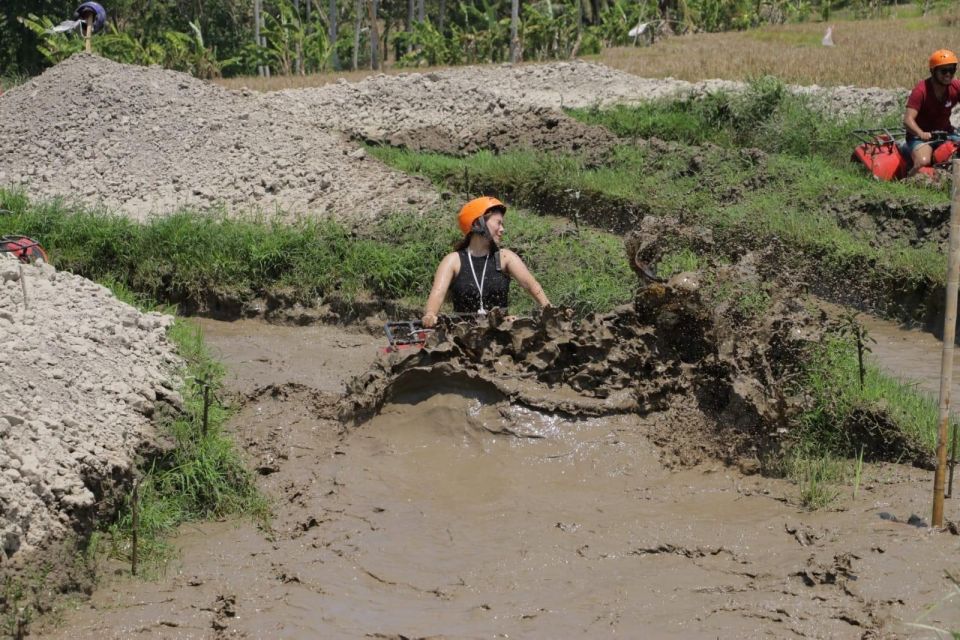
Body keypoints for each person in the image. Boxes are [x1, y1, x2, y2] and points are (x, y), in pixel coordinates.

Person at [421, 196, 550, 328]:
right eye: (498, 223)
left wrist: (549, 309)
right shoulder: (453, 261)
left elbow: (532, 286)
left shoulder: (505, 258)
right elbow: (438, 292)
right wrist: (430, 314)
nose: (502, 229)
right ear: (479, 223)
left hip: (501, 332)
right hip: (463, 333)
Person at [903, 49, 960, 175]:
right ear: (933, 71)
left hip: (946, 134)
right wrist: (921, 133)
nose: (948, 74)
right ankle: (906, 180)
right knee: (923, 161)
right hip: (919, 137)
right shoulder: (921, 90)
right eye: (944, 70)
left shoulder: (955, 86)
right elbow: (908, 120)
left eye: (952, 70)